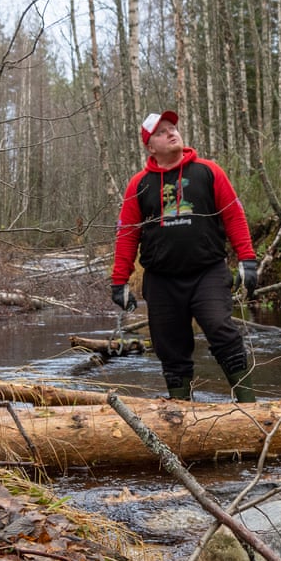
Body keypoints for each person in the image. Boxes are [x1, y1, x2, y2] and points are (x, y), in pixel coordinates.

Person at [110, 110, 259, 402]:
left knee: (220, 329)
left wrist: (248, 260)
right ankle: (180, 412)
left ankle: (251, 408)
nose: (171, 132)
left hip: (208, 272)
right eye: (162, 131)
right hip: (162, 280)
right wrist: (119, 282)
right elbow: (127, 233)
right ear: (151, 147)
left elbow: (234, 216)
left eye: (172, 128)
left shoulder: (208, 171)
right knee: (169, 347)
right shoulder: (138, 185)